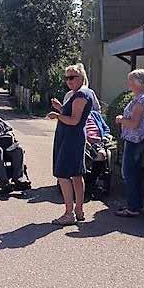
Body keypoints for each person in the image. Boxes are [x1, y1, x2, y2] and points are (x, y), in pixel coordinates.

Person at [48, 63, 94, 225]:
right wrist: (60, 108)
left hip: (71, 139)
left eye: (72, 77)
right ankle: (78, 211)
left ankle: (69, 213)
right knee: (76, 174)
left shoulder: (81, 95)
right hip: (71, 137)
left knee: (63, 174)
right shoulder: (80, 93)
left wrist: (57, 115)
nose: (69, 81)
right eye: (67, 78)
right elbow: (73, 115)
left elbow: (74, 121)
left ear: (81, 77)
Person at [114, 69, 144, 217]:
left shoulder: (141, 99)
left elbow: (134, 123)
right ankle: (136, 204)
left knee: (128, 172)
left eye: (131, 81)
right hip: (139, 139)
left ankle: (133, 207)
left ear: (139, 83)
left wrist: (120, 120)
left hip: (135, 139)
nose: (129, 84)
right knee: (134, 172)